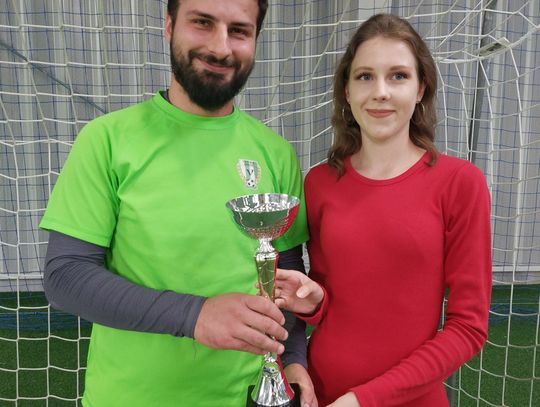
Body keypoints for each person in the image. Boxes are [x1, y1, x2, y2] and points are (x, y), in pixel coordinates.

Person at [39, 1, 316, 406]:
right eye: (202, 23)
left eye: (239, 31)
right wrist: (195, 315)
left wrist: (292, 358)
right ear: (169, 26)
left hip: (245, 397)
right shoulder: (107, 140)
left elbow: (285, 275)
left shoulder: (275, 153)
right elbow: (66, 275)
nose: (221, 47)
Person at [274, 13, 492, 407]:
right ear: (347, 89)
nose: (380, 92)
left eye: (398, 76)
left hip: (408, 399)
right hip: (320, 392)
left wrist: (363, 399)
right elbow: (333, 300)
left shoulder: (460, 183)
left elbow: (468, 329)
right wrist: (315, 303)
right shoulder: (319, 182)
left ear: (421, 87)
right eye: (365, 76)